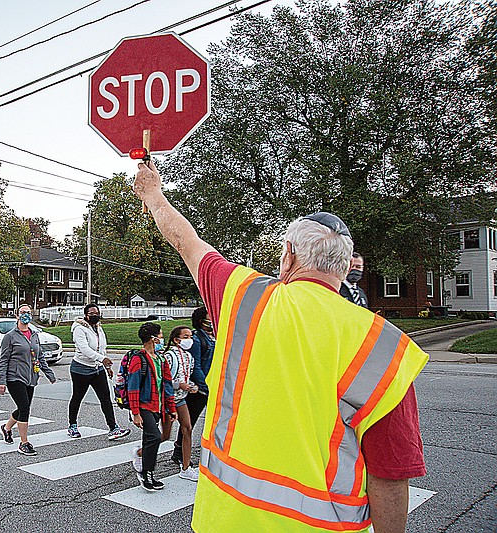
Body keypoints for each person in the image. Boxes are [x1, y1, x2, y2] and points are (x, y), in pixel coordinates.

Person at [133, 160, 428, 532]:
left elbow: (185, 241)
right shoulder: (382, 343)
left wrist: (153, 193)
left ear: (288, 255)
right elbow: (392, 473)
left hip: (224, 520)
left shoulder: (242, 296)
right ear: (344, 268)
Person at [0, 304, 56, 456]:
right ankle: (24, 443)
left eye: (28, 313)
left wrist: (48, 373)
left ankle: (7, 428)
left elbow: (39, 355)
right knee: (25, 408)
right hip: (14, 377)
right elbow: (3, 360)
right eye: (22, 313)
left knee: (24, 407)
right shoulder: (10, 336)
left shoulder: (34, 334)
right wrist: (2, 381)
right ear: (17, 315)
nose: (25, 315)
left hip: (31, 377)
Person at [68, 303, 131, 440]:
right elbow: (84, 349)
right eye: (91, 314)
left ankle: (113, 428)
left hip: (97, 369)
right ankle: (72, 425)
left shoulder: (98, 328)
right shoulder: (79, 329)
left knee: (105, 398)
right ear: (86, 315)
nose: (95, 316)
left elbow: (103, 348)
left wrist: (107, 367)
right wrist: (102, 359)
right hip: (81, 369)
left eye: (97, 313)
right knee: (77, 397)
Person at [128, 322, 177, 491]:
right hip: (144, 406)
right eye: (161, 336)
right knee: (155, 437)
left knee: (149, 438)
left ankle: (145, 469)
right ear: (153, 338)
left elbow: (167, 385)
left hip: (158, 406)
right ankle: (146, 473)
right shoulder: (138, 359)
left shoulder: (161, 359)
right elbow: (133, 387)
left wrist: (171, 407)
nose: (162, 339)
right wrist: (135, 413)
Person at [173, 306, 215, 468]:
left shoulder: (213, 337)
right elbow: (195, 366)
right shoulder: (198, 339)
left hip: (212, 386)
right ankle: (179, 453)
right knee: (189, 422)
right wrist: (204, 384)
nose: (211, 321)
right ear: (200, 321)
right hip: (199, 388)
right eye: (208, 318)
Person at [162, 326, 200, 482]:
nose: (189, 340)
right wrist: (180, 385)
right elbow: (164, 380)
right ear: (177, 340)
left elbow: (185, 377)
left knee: (187, 429)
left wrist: (191, 386)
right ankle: (141, 453)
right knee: (164, 435)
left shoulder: (189, 358)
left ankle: (185, 468)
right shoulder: (168, 357)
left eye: (190, 336)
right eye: (186, 337)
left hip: (181, 399)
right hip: (167, 399)